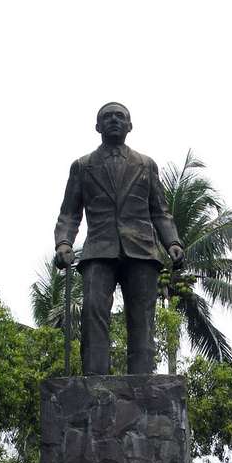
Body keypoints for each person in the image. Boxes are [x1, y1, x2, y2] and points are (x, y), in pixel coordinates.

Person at [54, 102, 184, 375]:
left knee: (142, 319)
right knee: (93, 312)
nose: (114, 120)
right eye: (107, 117)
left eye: (120, 116)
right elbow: (69, 213)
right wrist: (64, 243)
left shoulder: (146, 165)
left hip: (142, 251)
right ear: (98, 127)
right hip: (99, 249)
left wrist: (172, 242)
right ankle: (95, 379)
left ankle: (142, 379)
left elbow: (160, 211)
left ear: (129, 126)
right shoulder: (82, 166)